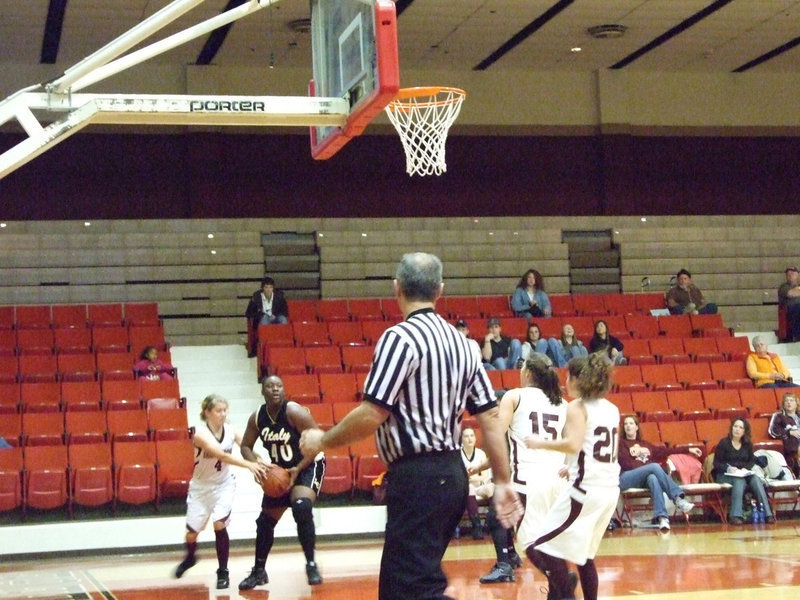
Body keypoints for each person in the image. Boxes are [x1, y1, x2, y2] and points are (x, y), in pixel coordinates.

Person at [298, 252, 523, 600]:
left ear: (396, 289)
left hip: (418, 478)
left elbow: (373, 413)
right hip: (450, 474)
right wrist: (503, 480)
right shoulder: (465, 346)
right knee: (400, 588)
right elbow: (490, 417)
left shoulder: (398, 339)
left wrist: (321, 440)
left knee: (413, 590)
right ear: (440, 290)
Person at [523, 354, 620, 600]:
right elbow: (602, 450)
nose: (564, 381)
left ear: (577, 379)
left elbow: (573, 443)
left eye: (567, 376)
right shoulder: (612, 408)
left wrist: (540, 443)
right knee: (585, 556)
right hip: (609, 490)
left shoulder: (577, 406)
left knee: (540, 544)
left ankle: (566, 596)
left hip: (584, 491)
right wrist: (573, 465)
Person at [481, 352, 567, 585]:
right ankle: (557, 583)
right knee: (549, 537)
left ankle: (552, 577)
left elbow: (497, 436)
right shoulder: (562, 402)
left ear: (527, 373)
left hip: (528, 479)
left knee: (506, 523)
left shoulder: (514, 396)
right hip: (558, 481)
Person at [238, 375, 327, 590]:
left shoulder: (294, 412)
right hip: (281, 471)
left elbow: (318, 440)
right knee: (265, 522)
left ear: (284, 390)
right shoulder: (258, 417)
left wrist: (298, 468)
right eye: (270, 386)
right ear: (263, 391)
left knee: (301, 506)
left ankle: (311, 564)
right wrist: (257, 465)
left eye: (279, 386)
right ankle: (259, 571)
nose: (275, 389)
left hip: (308, 464)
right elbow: (245, 446)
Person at [174, 394, 267, 589]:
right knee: (192, 533)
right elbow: (222, 455)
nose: (223, 414)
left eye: (225, 410)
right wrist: (248, 465)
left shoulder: (231, 430)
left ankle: (223, 571)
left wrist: (259, 460)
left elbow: (246, 447)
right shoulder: (200, 434)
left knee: (219, 523)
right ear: (207, 412)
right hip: (200, 488)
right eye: (218, 410)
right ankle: (191, 557)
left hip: (224, 485)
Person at [619, 414, 700, 532]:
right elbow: (626, 464)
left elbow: (666, 451)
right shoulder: (621, 444)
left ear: (637, 427)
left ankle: (662, 518)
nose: (628, 426)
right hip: (626, 477)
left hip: (644, 477)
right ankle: (677, 498)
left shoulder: (646, 444)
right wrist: (647, 468)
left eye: (631, 423)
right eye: (625, 424)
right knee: (654, 467)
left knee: (653, 478)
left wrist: (688, 450)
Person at [712, 418, 774, 525]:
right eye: (735, 426)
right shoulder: (724, 443)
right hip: (724, 475)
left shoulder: (747, 444)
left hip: (742, 473)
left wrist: (746, 468)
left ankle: (768, 514)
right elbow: (716, 463)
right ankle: (735, 515)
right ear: (731, 428)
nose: (737, 429)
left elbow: (751, 461)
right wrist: (728, 468)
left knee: (755, 479)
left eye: (740, 427)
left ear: (744, 431)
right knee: (739, 481)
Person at [460, 426, 493, 540]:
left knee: (492, 488)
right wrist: (470, 479)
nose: (469, 438)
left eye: (472, 435)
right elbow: (459, 477)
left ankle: (493, 522)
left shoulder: (480, 453)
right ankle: (477, 526)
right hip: (463, 489)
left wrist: (470, 478)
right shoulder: (458, 454)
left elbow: (485, 475)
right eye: (466, 436)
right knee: (469, 487)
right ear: (461, 439)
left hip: (480, 486)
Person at [245, 277, 289, 357]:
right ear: (262, 288)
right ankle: (263, 347)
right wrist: (260, 314)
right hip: (263, 318)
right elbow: (249, 313)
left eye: (270, 287)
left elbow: (285, 311)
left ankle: (283, 344)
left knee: (283, 320)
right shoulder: (256, 297)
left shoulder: (279, 296)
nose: (268, 290)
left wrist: (275, 314)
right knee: (265, 320)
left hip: (276, 317)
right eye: (266, 287)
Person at [768, 391, 800, 476]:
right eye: (786, 401)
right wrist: (789, 432)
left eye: (791, 400)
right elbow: (773, 431)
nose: (789, 402)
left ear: (797, 403)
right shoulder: (779, 416)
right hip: (792, 447)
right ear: (783, 404)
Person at [778, 266, 800, 342]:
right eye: (788, 274)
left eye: (792, 273)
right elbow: (791, 293)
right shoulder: (784, 287)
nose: (790, 275)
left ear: (797, 275)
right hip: (790, 311)